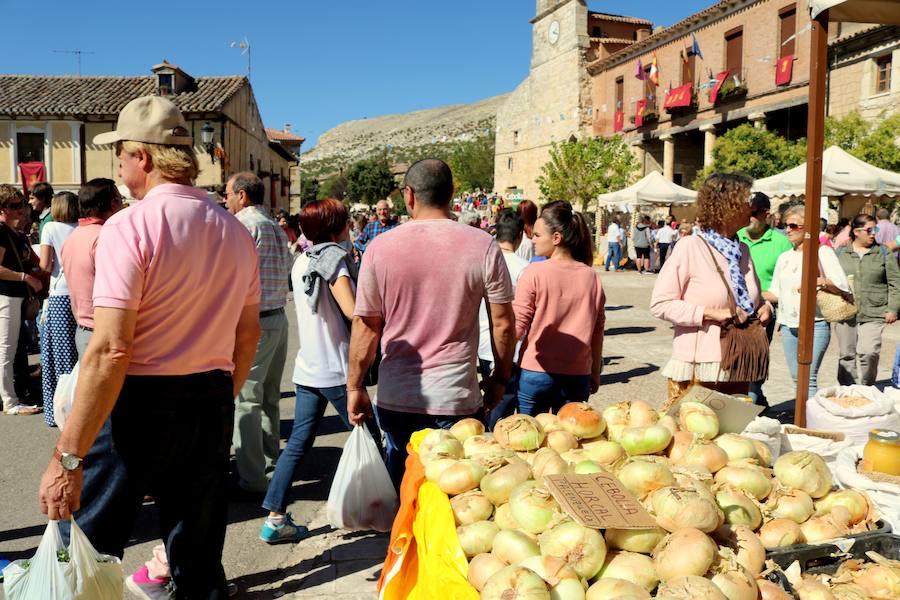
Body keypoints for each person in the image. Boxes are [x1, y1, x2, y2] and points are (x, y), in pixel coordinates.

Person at [37, 95, 261, 599]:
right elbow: (248, 335)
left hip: (136, 401)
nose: (118, 165)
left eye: (120, 154)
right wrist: (221, 391)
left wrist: (66, 458)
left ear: (142, 157)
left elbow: (112, 349)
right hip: (208, 397)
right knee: (198, 557)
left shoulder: (129, 226)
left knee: (92, 553)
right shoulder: (232, 229)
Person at [346, 159, 516, 490]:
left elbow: (366, 326)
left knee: (405, 493)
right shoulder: (482, 245)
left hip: (398, 397)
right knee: (456, 501)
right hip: (456, 397)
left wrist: (355, 386)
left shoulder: (380, 248)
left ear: (407, 195)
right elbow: (504, 324)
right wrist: (500, 378)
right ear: (452, 194)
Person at [259, 197, 381, 543]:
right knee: (374, 441)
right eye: (344, 221)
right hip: (339, 371)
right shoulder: (333, 263)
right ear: (335, 226)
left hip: (308, 368)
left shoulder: (301, 261)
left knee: (298, 443)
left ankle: (275, 517)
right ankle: (392, 509)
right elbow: (355, 312)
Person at [650, 173, 772, 403]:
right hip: (701, 367)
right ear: (727, 206)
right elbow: (660, 304)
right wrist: (710, 313)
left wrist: (765, 308)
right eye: (747, 200)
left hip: (739, 361)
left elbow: (752, 299)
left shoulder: (742, 251)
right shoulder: (690, 247)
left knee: (735, 435)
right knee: (697, 435)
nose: (752, 207)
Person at [225, 172, 293, 496]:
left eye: (228, 194)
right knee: (269, 398)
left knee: (246, 400)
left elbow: (230, 275)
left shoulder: (243, 225)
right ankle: (270, 465)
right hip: (278, 316)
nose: (226, 201)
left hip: (257, 320)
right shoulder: (275, 227)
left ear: (241, 195)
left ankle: (251, 477)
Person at [513, 201, 605, 415]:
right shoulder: (591, 276)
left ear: (556, 238)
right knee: (571, 440)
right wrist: (594, 371)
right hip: (577, 372)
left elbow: (518, 324)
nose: (532, 240)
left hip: (536, 369)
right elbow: (597, 330)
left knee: (529, 437)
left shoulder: (534, 272)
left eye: (537, 235)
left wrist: (500, 367)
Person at [765, 205, 850, 399]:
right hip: (787, 325)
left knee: (808, 378)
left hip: (815, 324)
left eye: (794, 225)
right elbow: (775, 292)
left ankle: (808, 421)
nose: (788, 230)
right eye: (786, 225)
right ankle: (802, 419)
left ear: (808, 228)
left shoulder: (822, 253)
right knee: (797, 378)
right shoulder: (784, 257)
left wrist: (819, 281)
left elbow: (842, 286)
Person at [736, 192, 793, 407]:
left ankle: (753, 398)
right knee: (734, 359)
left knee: (756, 358)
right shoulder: (735, 236)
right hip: (734, 309)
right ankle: (755, 401)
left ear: (765, 214)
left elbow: (788, 282)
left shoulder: (782, 243)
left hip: (765, 311)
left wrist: (764, 299)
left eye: (752, 213)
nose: (747, 218)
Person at [477, 209, 529, 428]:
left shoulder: (482, 262)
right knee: (505, 407)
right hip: (512, 348)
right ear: (519, 237)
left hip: (483, 344)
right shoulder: (524, 269)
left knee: (488, 403)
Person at [60, 179, 123, 358]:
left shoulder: (73, 237)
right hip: (105, 330)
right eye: (120, 198)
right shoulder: (106, 236)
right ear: (113, 203)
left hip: (84, 329)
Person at [835, 213, 900, 386]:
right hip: (846, 311)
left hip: (875, 310)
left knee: (869, 352)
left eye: (875, 229)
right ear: (856, 231)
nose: (874, 233)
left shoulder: (884, 252)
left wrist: (893, 308)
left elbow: (895, 282)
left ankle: (866, 388)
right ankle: (849, 391)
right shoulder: (841, 252)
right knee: (846, 355)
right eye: (870, 230)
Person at [0, 185, 43, 415]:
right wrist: (25, 277)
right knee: (6, 349)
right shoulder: (1, 230)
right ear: (2, 208)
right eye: (14, 206)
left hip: (11, 294)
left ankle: (9, 399)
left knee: (10, 348)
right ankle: (10, 402)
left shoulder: (11, 231)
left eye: (21, 205)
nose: (20, 211)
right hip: (6, 294)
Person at [38, 191, 80, 427]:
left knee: (56, 353)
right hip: (81, 293)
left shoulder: (51, 228)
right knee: (76, 351)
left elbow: (45, 264)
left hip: (59, 294)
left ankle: (58, 411)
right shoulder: (81, 229)